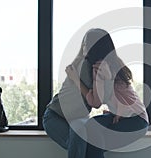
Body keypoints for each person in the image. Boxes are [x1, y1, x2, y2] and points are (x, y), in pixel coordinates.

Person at [65, 28, 149, 158]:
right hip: (130, 116)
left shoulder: (101, 67)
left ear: (95, 46)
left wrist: (76, 79)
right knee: (91, 131)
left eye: (86, 43)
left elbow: (96, 102)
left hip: (135, 119)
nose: (83, 47)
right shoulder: (113, 62)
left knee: (92, 130)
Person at [42, 29, 104, 158]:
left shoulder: (97, 67)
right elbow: (96, 101)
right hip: (55, 116)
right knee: (83, 145)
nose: (85, 47)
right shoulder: (84, 65)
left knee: (84, 142)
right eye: (84, 43)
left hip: (77, 118)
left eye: (89, 43)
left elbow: (97, 100)